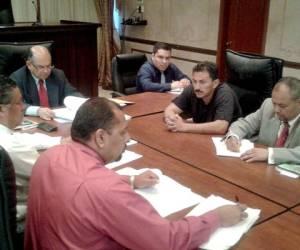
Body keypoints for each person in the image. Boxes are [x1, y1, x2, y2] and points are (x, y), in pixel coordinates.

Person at [25, 97, 247, 250]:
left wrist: (130, 180)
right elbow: (166, 242)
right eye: (123, 132)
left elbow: (78, 183)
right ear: (100, 137)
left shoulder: (49, 157)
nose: (128, 138)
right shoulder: (107, 190)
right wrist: (216, 217)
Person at [0, 75, 61, 231]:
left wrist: (58, 141)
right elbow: (54, 176)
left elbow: (21, 137)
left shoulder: (7, 137)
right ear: (2, 108)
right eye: (19, 102)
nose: (23, 107)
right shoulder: (12, 148)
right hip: (24, 222)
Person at [225, 77, 300, 164]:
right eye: (274, 103)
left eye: (282, 106)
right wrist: (234, 136)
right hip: (260, 168)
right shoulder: (268, 106)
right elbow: (245, 123)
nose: (276, 110)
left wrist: (270, 154)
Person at [164, 61, 242, 134]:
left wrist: (183, 126)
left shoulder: (225, 93)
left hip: (227, 140)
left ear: (215, 83)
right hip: (202, 134)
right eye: (194, 81)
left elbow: (221, 127)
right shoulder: (192, 89)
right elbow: (170, 109)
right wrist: (173, 120)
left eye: (202, 82)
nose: (197, 87)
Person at [10, 45, 83, 120]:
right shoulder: (18, 78)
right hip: (35, 123)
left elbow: (72, 94)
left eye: (48, 66)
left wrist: (83, 103)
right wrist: (37, 111)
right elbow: (16, 104)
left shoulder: (57, 75)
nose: (46, 71)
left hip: (56, 121)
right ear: (29, 65)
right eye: (41, 67)